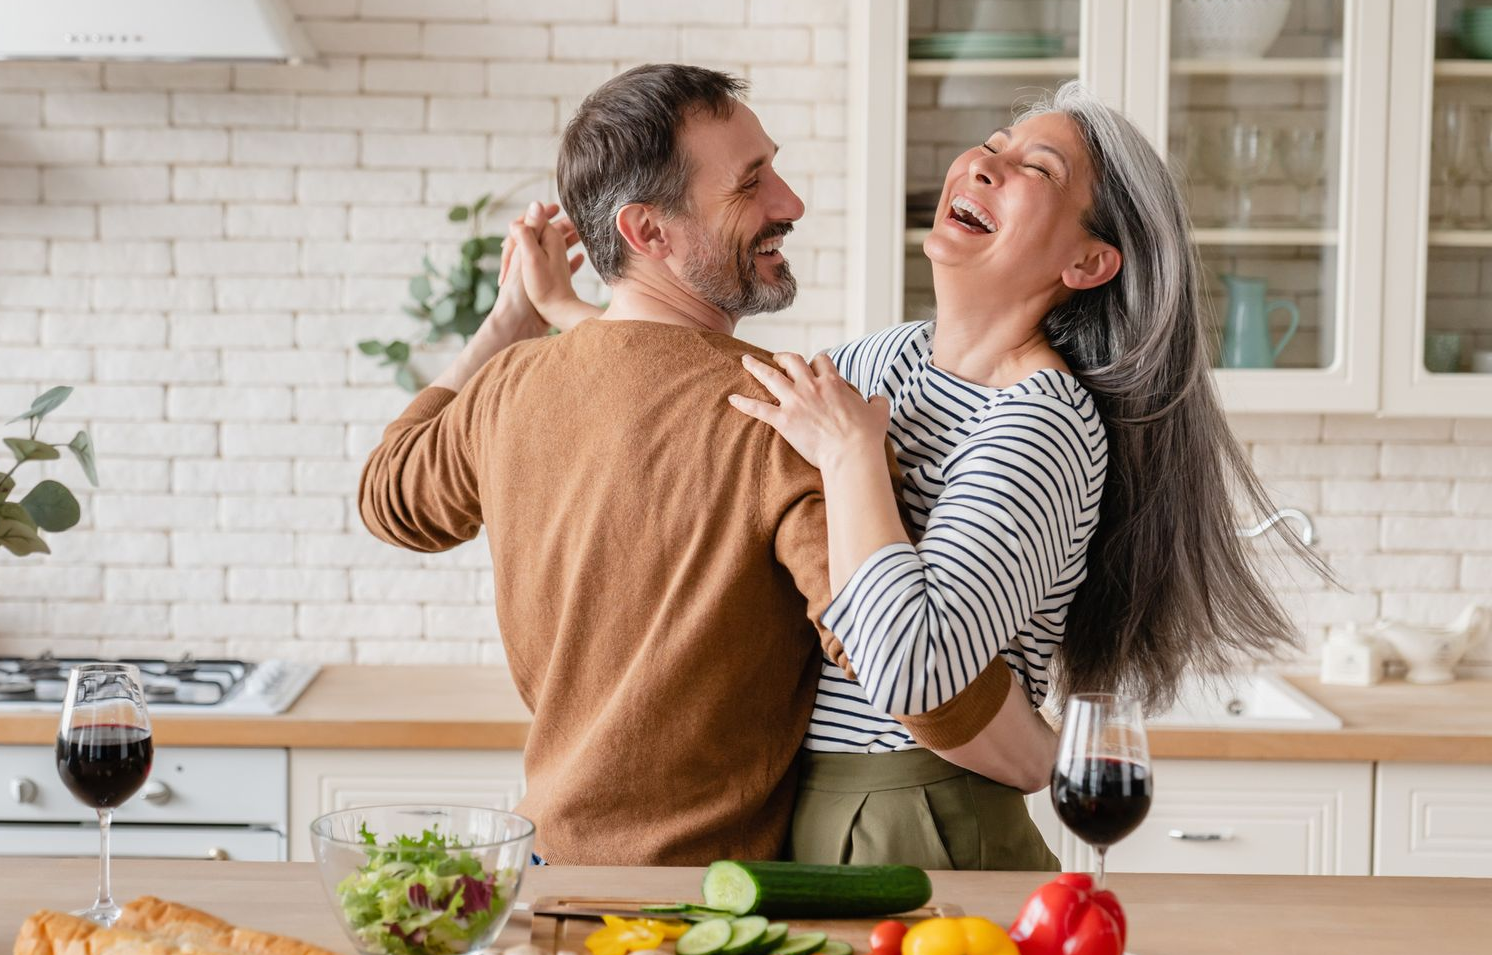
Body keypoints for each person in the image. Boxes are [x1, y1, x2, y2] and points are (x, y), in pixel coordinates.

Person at [509, 81, 1309, 869]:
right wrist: (570, 310)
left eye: (1039, 170)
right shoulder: (888, 359)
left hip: (925, 813)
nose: (984, 166)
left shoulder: (1041, 422)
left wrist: (855, 457)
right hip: (813, 805)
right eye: (992, 146)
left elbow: (916, 669)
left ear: (1089, 260)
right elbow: (720, 394)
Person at [357, 64, 1048, 867]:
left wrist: (508, 320)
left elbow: (389, 495)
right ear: (648, 233)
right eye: (751, 185)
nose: (790, 203)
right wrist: (1049, 757)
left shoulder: (509, 386)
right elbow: (910, 670)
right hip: (697, 905)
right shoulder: (783, 417)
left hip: (544, 873)